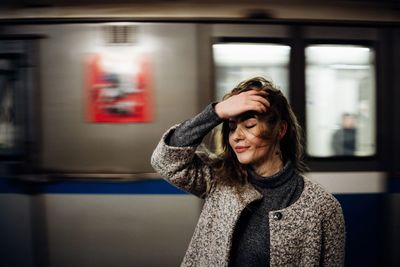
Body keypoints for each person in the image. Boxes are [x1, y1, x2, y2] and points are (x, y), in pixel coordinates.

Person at [151, 77, 345, 267]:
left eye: (249, 126)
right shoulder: (218, 179)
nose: (236, 137)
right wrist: (217, 112)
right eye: (232, 128)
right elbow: (165, 160)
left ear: (281, 130)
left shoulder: (322, 208)